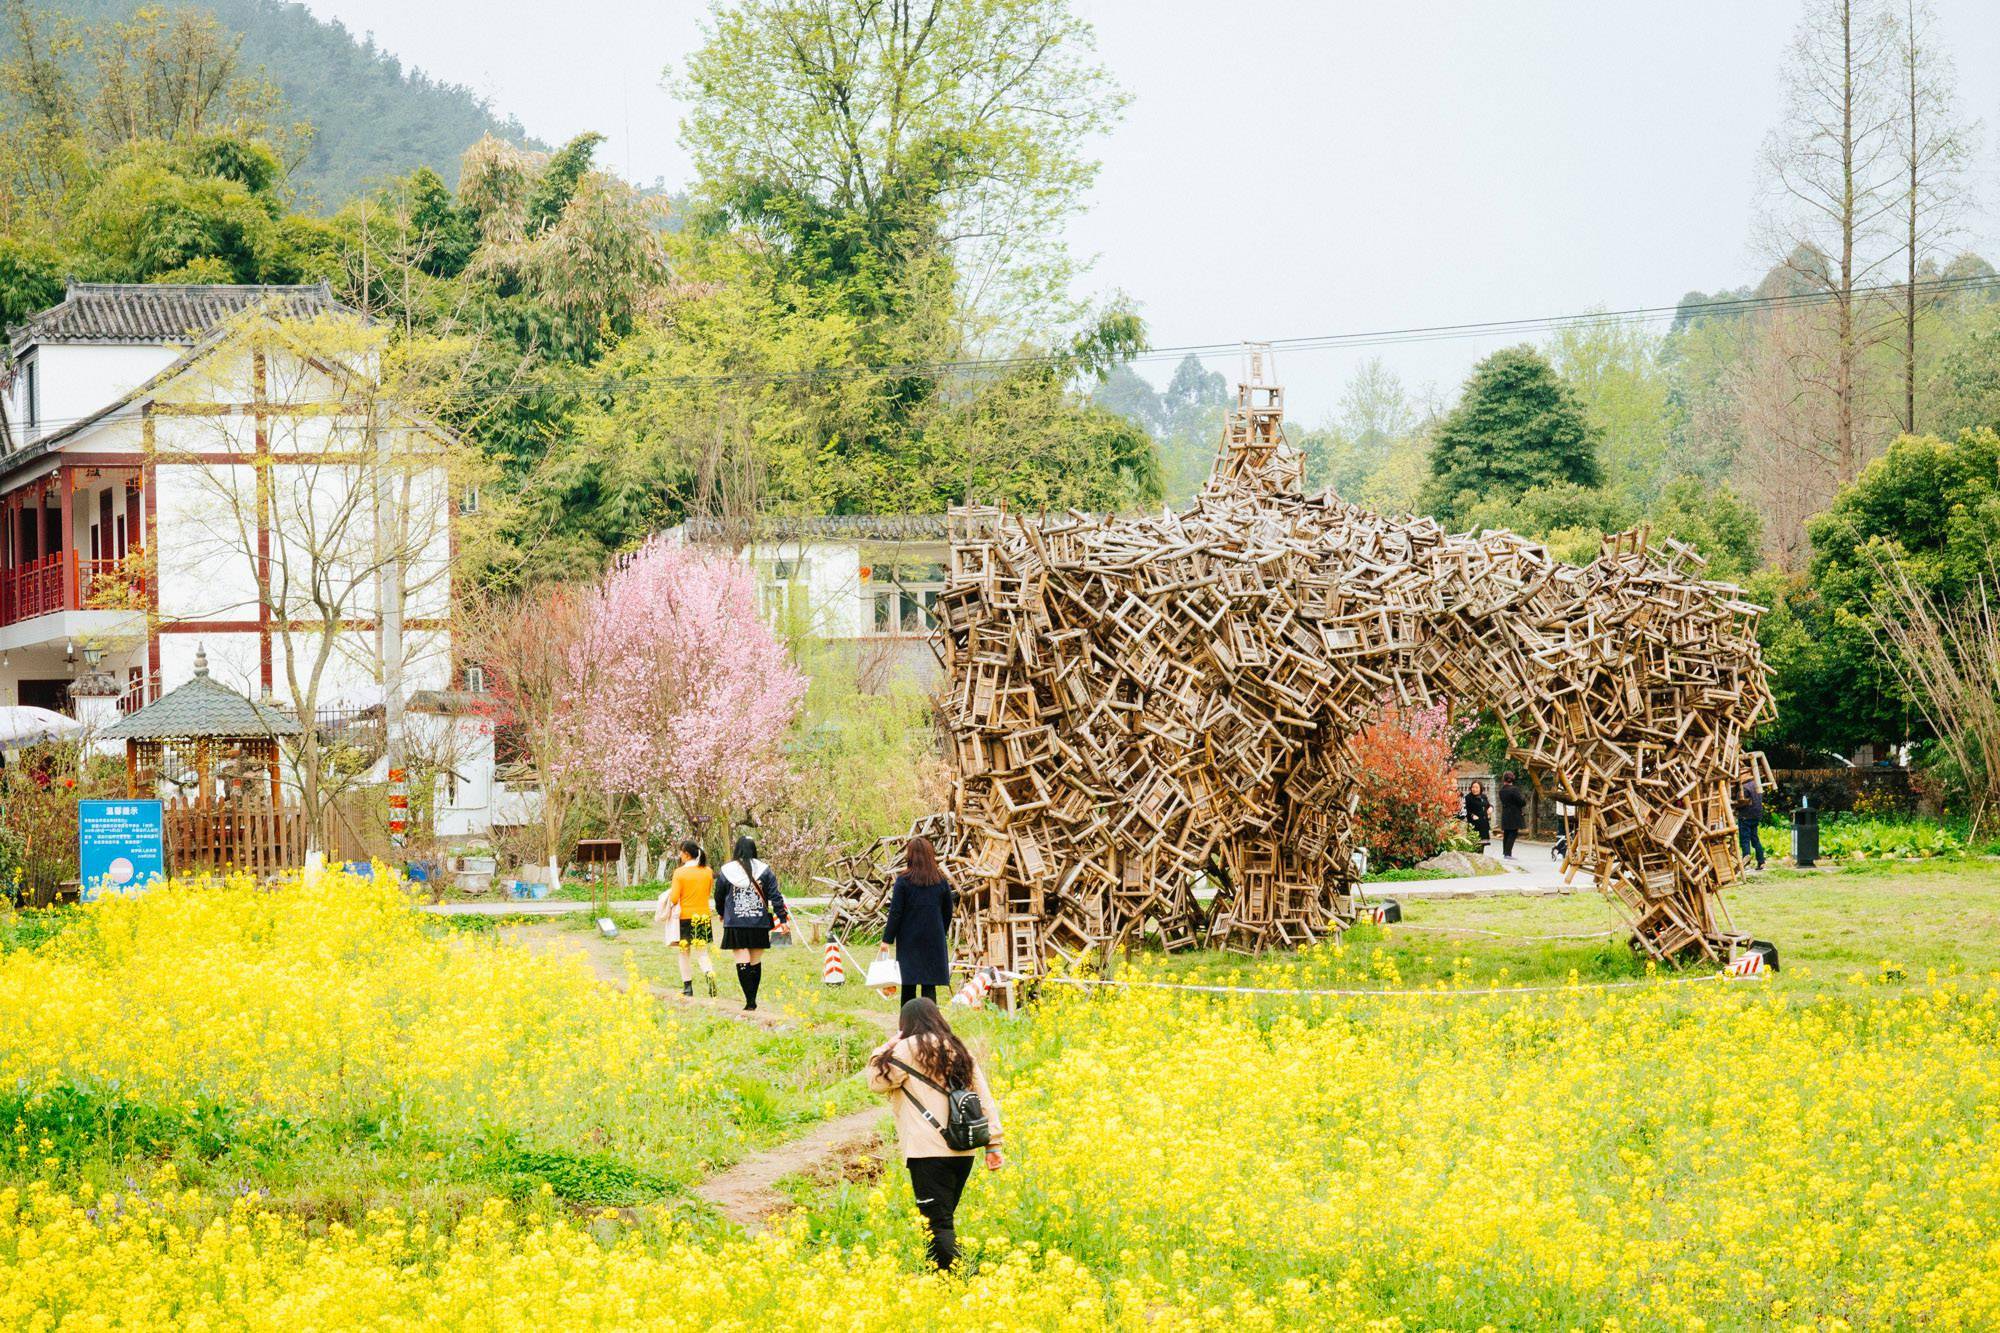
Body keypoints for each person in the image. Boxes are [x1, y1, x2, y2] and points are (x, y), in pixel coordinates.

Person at [866, 998, 1005, 1272]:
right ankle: (942, 1277)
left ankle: (962, 1278)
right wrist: (993, 1144)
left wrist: (885, 1047)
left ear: (904, 1025)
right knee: (941, 1219)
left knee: (937, 1224)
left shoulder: (905, 1049)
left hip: (927, 1151)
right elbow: (984, 1097)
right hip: (963, 1149)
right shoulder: (958, 1047)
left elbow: (876, 1082)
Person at [713, 835, 790, 1011]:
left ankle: (749, 1002)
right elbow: (775, 896)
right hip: (759, 923)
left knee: (742, 960)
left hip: (735, 923)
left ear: (737, 849)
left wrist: (721, 913)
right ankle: (753, 999)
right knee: (755, 961)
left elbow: (718, 895)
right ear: (754, 849)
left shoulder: (727, 870)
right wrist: (783, 919)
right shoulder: (764, 870)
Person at [879, 835, 955, 1006]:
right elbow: (948, 911)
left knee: (908, 984)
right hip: (933, 938)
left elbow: (896, 912)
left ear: (910, 856)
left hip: (909, 939)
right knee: (929, 984)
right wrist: (940, 931)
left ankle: (907, 1025)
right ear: (930, 855)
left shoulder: (903, 881)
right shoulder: (940, 881)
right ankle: (929, 1026)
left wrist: (887, 939)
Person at [656, 839, 717, 998]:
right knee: (702, 953)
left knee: (684, 953)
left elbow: (675, 898)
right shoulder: (708, 871)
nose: (680, 855)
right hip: (703, 916)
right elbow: (708, 892)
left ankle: (688, 987)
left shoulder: (680, 873)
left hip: (685, 918)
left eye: (681, 852)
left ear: (687, 854)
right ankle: (711, 981)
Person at [1736, 769, 1766, 871]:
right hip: (1756, 816)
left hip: (1745, 817)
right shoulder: (1757, 785)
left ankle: (1746, 863)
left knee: (1744, 841)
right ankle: (1761, 862)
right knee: (1755, 839)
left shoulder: (1744, 788)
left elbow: (1741, 802)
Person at [1497, 773, 1527, 860]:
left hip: (1505, 813)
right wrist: (1523, 800)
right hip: (1514, 814)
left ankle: (1505, 852)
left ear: (1504, 779)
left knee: (1506, 833)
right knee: (1513, 833)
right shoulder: (1514, 789)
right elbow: (1521, 802)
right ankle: (1508, 853)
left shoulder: (1501, 790)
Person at [1462, 780, 1491, 852]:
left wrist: (1491, 808)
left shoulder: (1483, 797)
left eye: (1477, 787)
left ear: (1480, 788)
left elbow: (1488, 805)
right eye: (1473, 787)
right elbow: (1466, 810)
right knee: (1474, 844)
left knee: (1482, 845)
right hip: (1474, 824)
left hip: (1484, 824)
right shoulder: (1468, 798)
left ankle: (1480, 860)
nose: (1474, 789)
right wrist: (1472, 815)